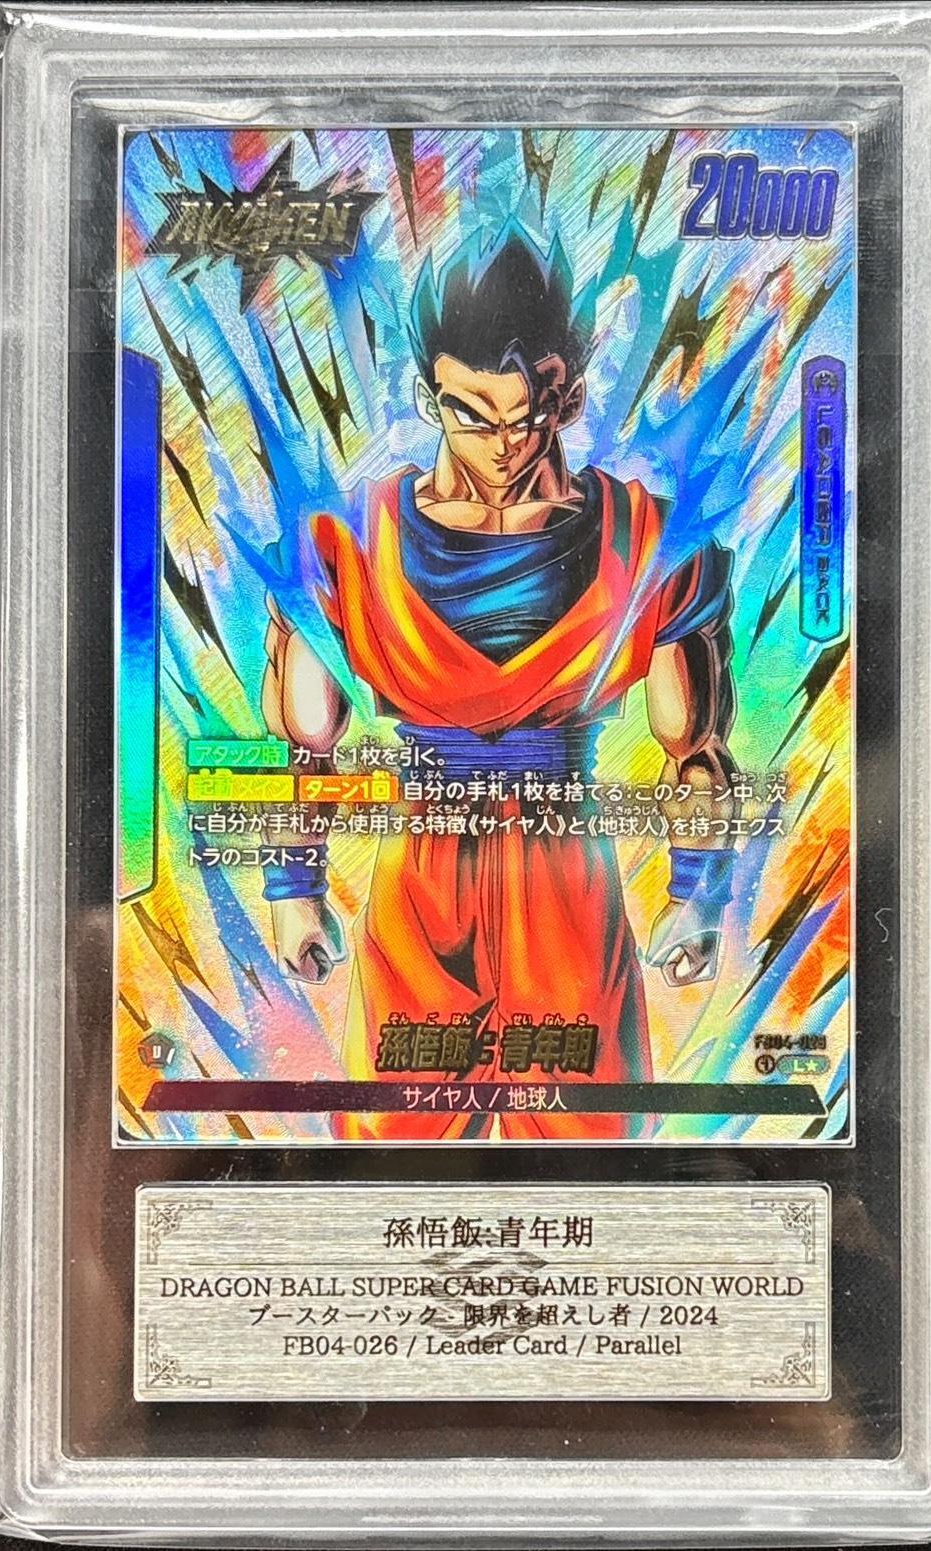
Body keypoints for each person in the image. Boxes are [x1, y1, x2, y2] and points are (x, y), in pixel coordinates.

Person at [261, 222, 737, 1139]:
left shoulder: (648, 540)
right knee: (394, 1149)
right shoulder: (346, 541)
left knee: (590, 1141)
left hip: (566, 881)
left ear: (569, 395)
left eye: (530, 416)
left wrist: (697, 893)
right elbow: (304, 743)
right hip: (420, 879)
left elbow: (696, 748)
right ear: (429, 396)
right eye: (473, 415)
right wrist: (294, 890)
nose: (505, 445)